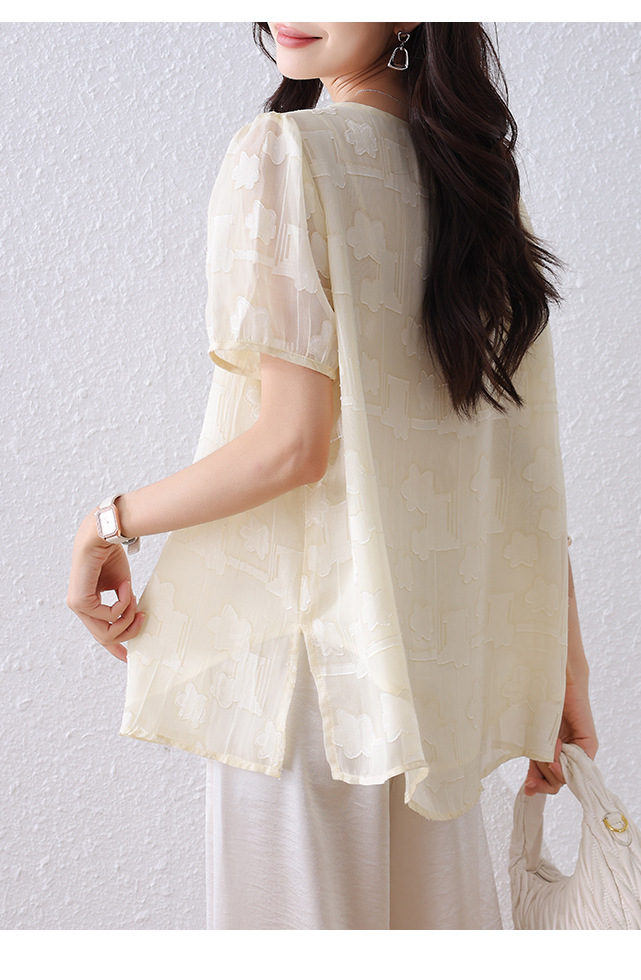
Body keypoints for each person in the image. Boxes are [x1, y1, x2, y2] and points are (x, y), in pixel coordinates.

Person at [67, 22, 597, 930]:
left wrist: (106, 523)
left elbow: (291, 446)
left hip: (305, 677)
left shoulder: (282, 154)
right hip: (427, 681)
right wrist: (563, 672)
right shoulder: (481, 194)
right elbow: (519, 474)